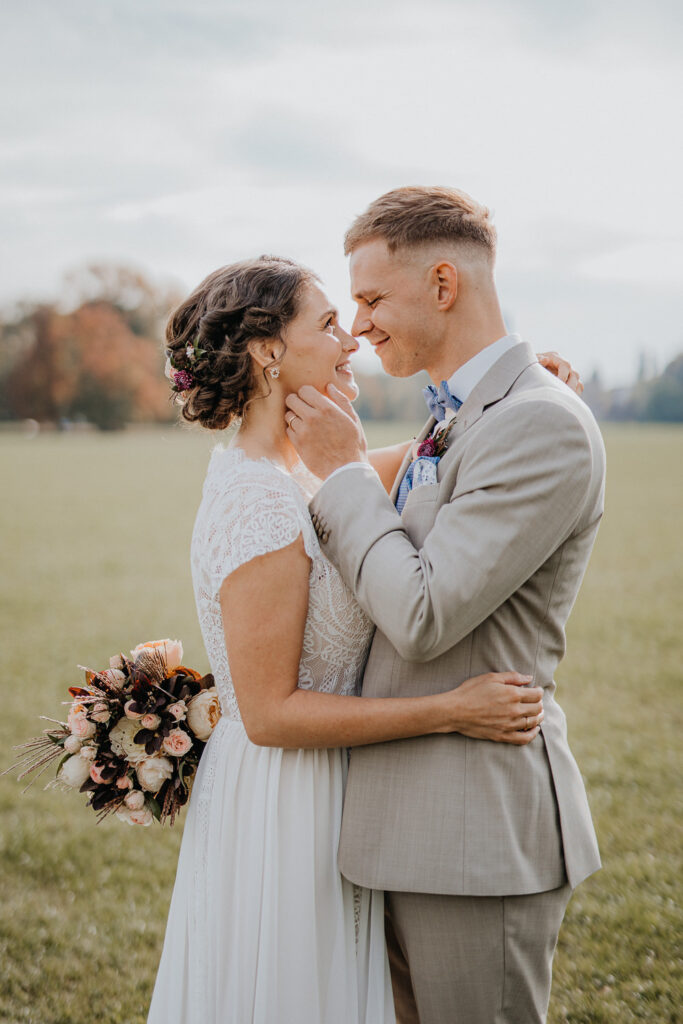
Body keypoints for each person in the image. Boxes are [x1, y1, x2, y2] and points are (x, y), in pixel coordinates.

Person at [146, 254, 578, 1024]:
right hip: (284, 803)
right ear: (266, 352)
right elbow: (272, 716)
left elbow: (421, 466)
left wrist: (503, 400)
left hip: (328, 798)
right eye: (327, 323)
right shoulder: (261, 505)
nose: (349, 342)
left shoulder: (295, 478)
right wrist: (450, 709)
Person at [285, 187, 605, 1024]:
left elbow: (424, 614)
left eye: (371, 298)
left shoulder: (541, 424)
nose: (357, 326)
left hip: (476, 834)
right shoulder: (458, 415)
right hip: (395, 825)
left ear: (441, 283)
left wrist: (347, 474)